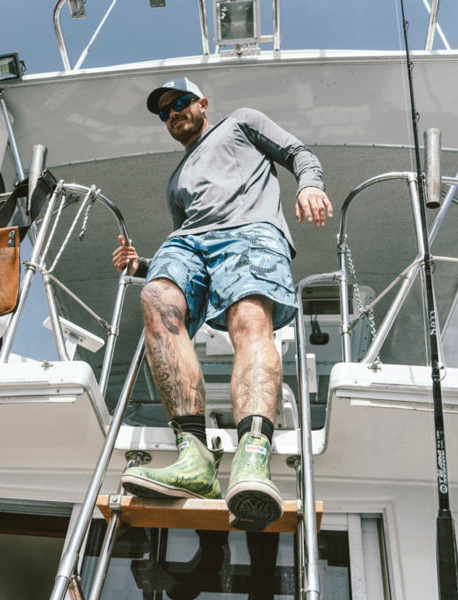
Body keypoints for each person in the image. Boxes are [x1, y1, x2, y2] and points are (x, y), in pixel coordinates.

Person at [111, 77, 331, 531]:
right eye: (164, 112)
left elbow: (298, 153)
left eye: (180, 103)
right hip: (189, 242)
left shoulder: (241, 123)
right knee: (156, 296)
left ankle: (252, 457)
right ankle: (194, 458)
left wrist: (309, 185)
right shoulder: (176, 181)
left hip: (250, 231)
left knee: (249, 319)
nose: (173, 113)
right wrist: (142, 266)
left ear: (202, 103)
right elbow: (195, 267)